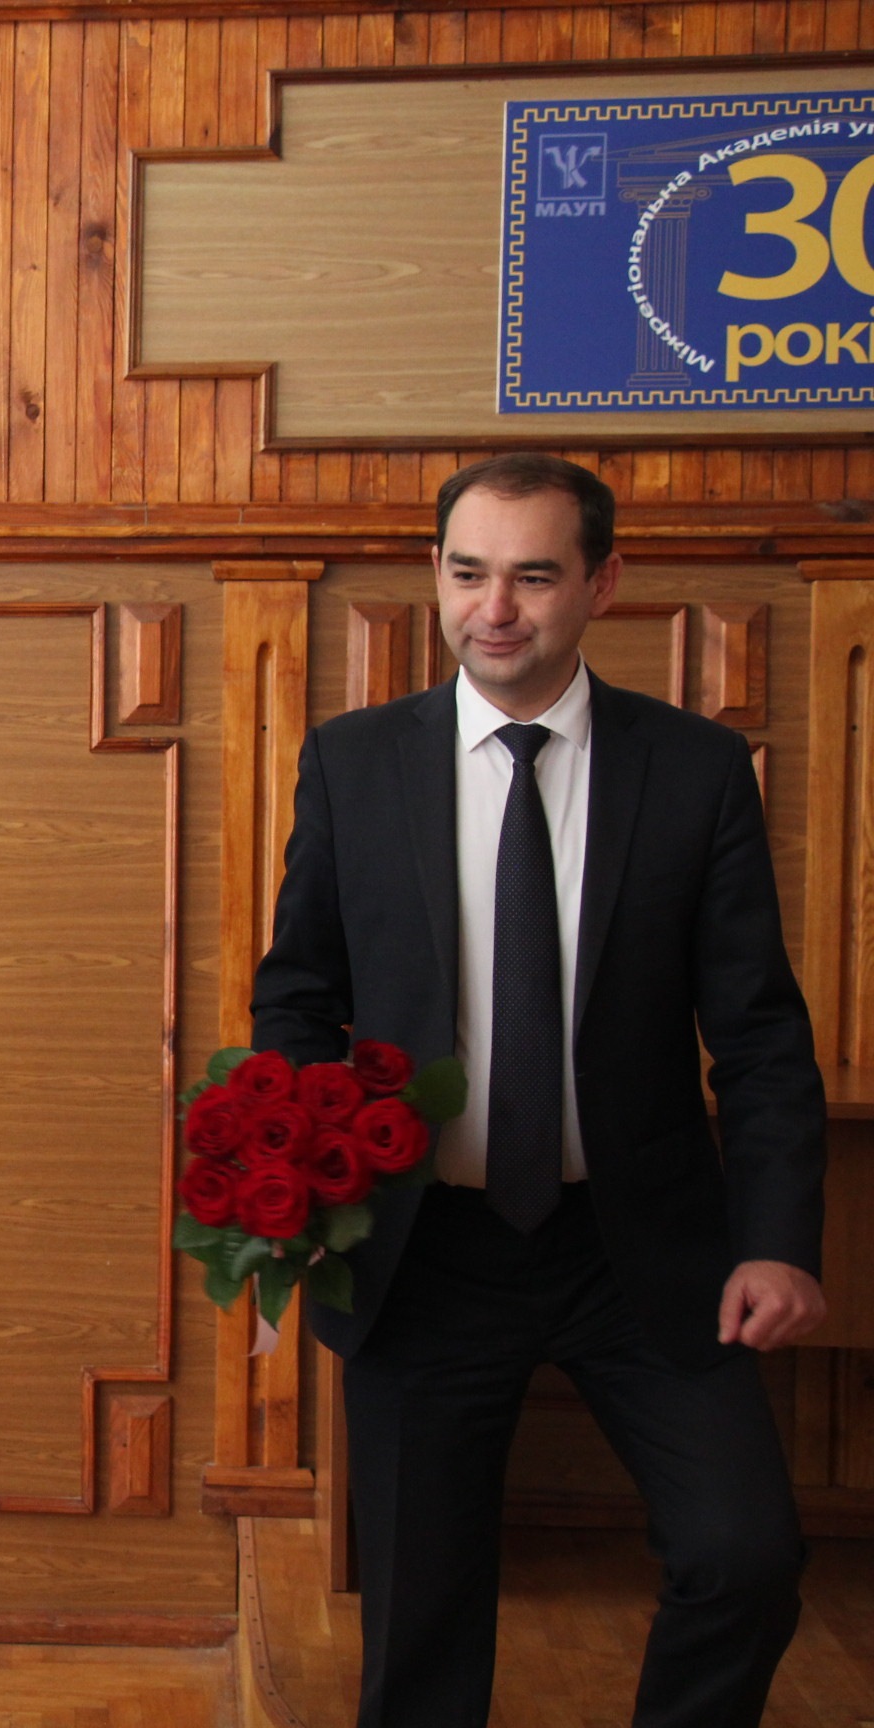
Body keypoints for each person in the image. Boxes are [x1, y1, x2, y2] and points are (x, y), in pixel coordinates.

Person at [250, 453, 826, 1728]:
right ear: (436, 575)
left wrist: (779, 1242)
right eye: (468, 573)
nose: (493, 609)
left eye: (533, 576)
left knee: (745, 1556)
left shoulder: (694, 770)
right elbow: (296, 999)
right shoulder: (354, 763)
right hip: (424, 1250)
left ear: (602, 584)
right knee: (422, 1624)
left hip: (640, 1247)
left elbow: (760, 1035)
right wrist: (296, 1200)